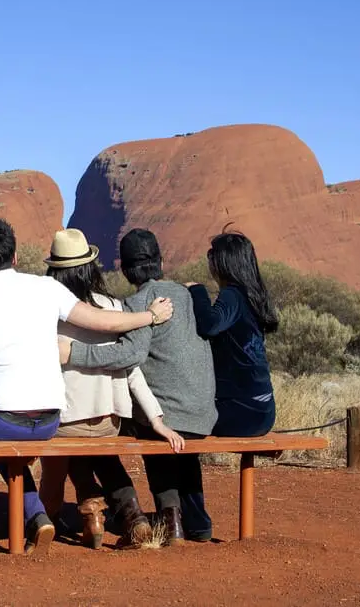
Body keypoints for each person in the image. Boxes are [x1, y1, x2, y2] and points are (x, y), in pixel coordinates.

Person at [0, 217, 174, 557]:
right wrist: (149, 317)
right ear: (16, 256)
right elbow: (104, 321)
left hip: (1, 418)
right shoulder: (46, 289)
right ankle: (36, 516)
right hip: (50, 418)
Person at [59, 228, 217, 543]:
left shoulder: (138, 302)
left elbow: (129, 355)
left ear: (125, 268)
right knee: (159, 429)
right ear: (160, 260)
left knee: (106, 429)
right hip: (204, 412)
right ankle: (190, 522)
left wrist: (73, 353)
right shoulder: (186, 294)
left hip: (172, 415)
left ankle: (161, 519)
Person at [38, 228, 182, 550]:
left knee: (56, 467)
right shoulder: (115, 307)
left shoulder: (49, 312)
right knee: (89, 450)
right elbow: (130, 367)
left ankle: (46, 521)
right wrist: (155, 417)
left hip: (65, 421)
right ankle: (111, 516)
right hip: (108, 422)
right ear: (90, 267)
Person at [185, 232, 280, 437]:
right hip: (263, 411)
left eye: (212, 257)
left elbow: (209, 325)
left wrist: (197, 291)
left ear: (223, 263)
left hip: (241, 413)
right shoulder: (254, 295)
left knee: (177, 422)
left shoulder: (233, 295)